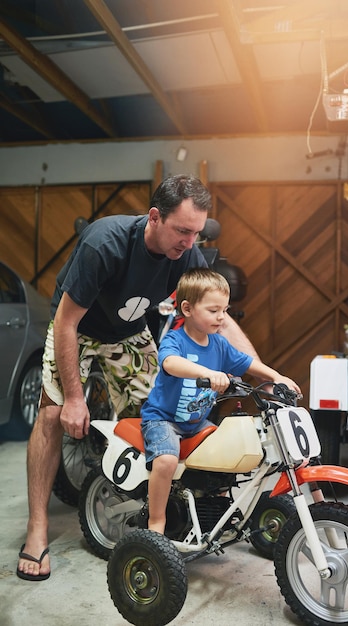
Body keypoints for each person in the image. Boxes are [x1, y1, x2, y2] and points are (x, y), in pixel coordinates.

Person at [17, 175, 259, 581]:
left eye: (196, 233)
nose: (188, 242)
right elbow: (65, 322)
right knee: (52, 413)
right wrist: (75, 399)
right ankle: (37, 528)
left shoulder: (187, 254)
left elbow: (221, 318)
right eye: (182, 231)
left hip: (127, 333)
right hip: (76, 328)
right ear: (154, 218)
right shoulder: (105, 243)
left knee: (157, 413)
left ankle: (150, 513)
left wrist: (260, 370)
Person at [141, 268, 301, 535]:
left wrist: (277, 376)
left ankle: (215, 511)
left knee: (227, 456)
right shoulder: (176, 339)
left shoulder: (219, 345)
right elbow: (169, 363)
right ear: (188, 309)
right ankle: (156, 521)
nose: (221, 317)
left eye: (225, 310)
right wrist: (208, 373)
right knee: (166, 461)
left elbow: (248, 363)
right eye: (213, 310)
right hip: (163, 419)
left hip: (196, 422)